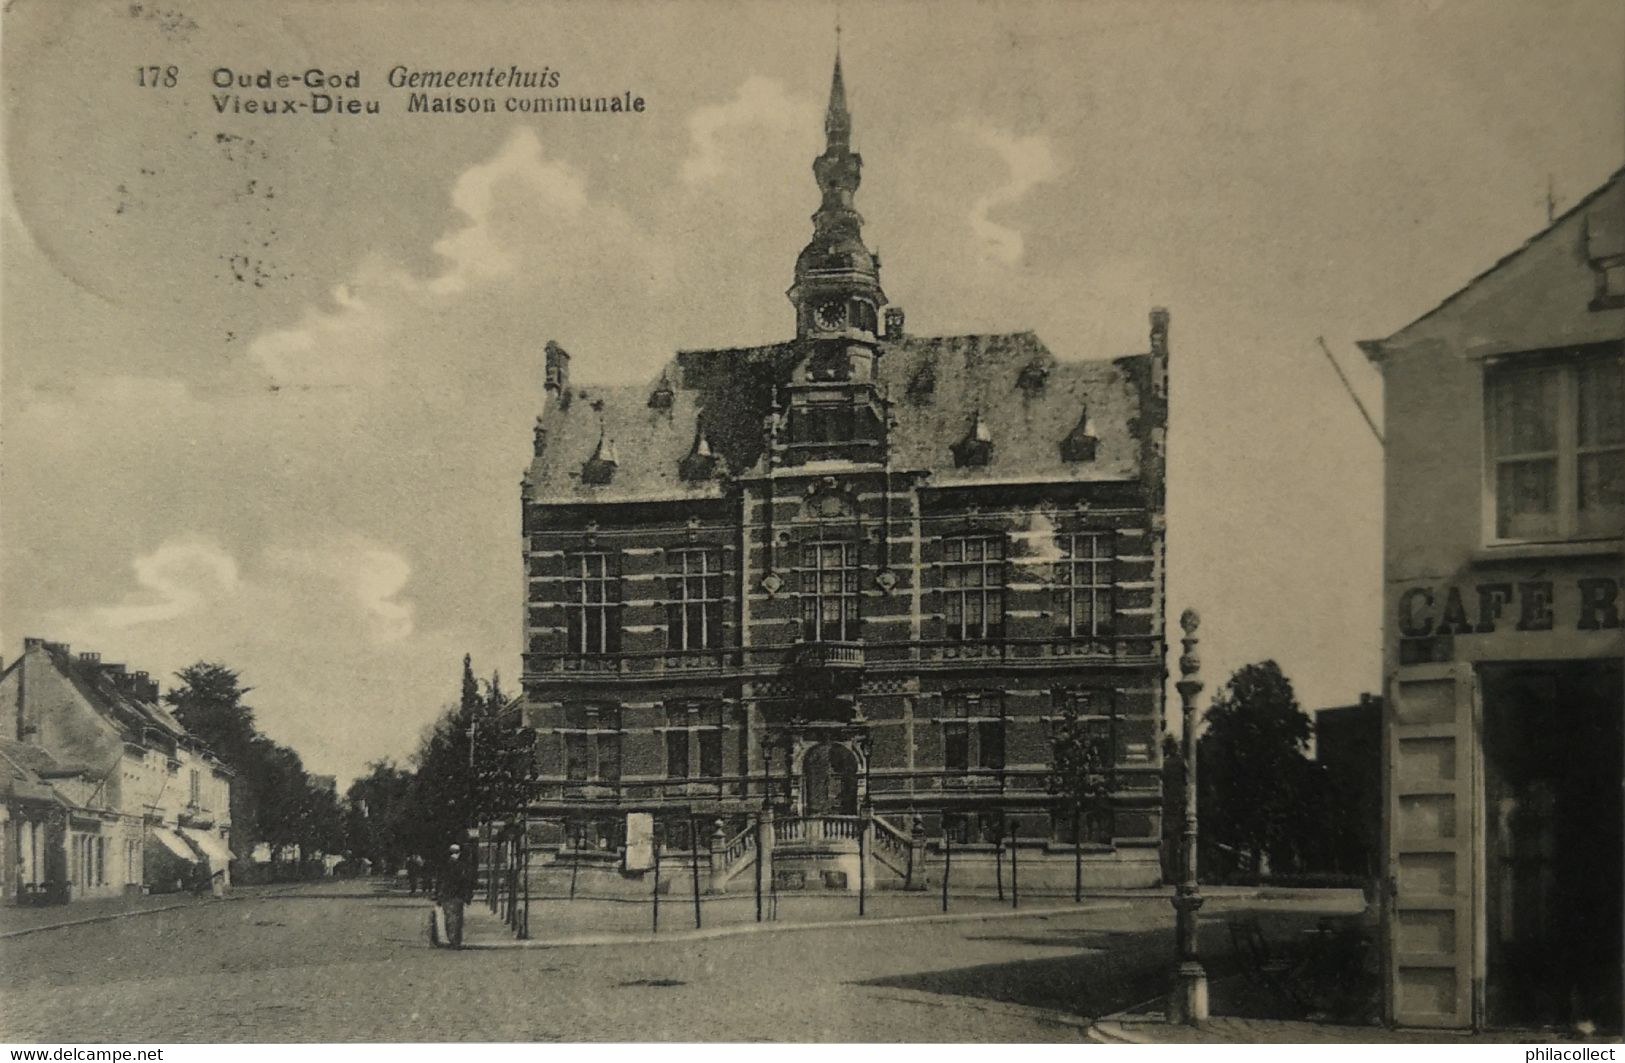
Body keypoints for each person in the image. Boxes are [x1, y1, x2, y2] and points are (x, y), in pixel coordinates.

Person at [432, 843, 475, 948]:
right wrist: (468, 896)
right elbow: (466, 882)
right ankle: (456, 940)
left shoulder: (444, 866)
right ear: (459, 853)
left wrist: (438, 896)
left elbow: (440, 881)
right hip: (458, 896)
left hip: (447, 896)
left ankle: (452, 939)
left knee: (449, 918)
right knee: (458, 918)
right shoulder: (462, 866)